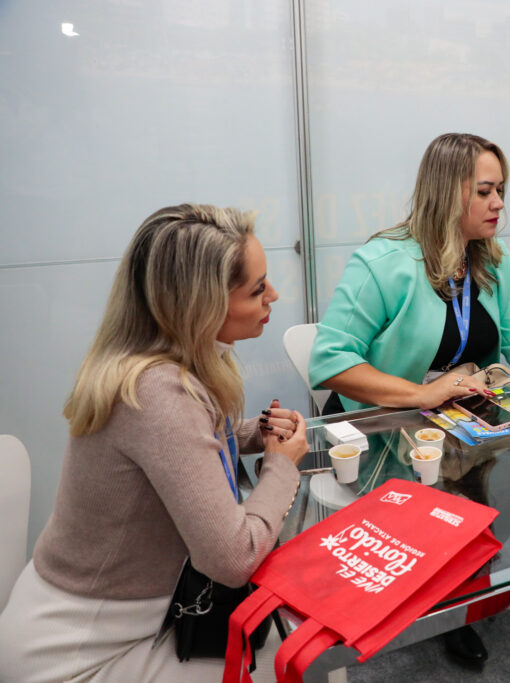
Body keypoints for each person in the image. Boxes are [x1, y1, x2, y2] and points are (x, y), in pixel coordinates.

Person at [308, 132, 510, 663]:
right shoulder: (382, 262)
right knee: (444, 508)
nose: (499, 203)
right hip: (385, 425)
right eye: (485, 191)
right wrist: (422, 392)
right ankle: (423, 601)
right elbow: (332, 363)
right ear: (447, 193)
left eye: (501, 189)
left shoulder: (490, 262)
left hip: (460, 423)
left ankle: (457, 601)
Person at [0, 204, 308, 681]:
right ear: (201, 306)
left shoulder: (167, 363)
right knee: (287, 661)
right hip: (73, 655)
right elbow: (233, 558)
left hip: (127, 616)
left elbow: (187, 449)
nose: (274, 294)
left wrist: (255, 434)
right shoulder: (158, 392)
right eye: (256, 288)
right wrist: (279, 465)